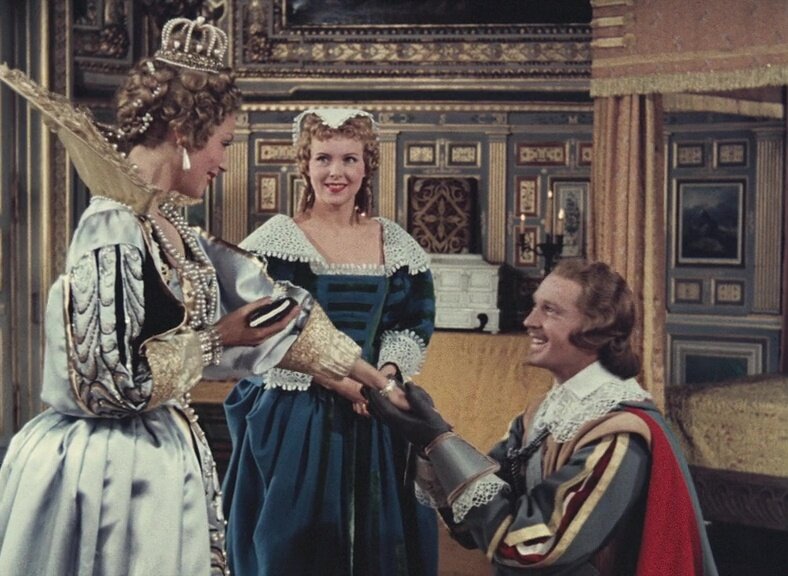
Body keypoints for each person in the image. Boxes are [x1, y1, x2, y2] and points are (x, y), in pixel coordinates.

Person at [0, 18, 404, 576]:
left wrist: (376, 381)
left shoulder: (170, 228)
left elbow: (276, 311)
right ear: (184, 134)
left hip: (155, 455)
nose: (225, 161)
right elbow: (109, 382)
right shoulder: (112, 228)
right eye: (223, 143)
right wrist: (219, 338)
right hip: (110, 472)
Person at [366, 259, 719, 576]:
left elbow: (531, 548)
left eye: (549, 310)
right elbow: (475, 524)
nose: (529, 321)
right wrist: (430, 442)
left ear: (596, 328)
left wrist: (438, 439)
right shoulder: (542, 414)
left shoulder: (618, 434)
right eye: (535, 306)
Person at [222, 108, 438, 576]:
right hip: (297, 410)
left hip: (377, 411)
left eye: (348, 159)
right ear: (305, 165)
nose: (335, 172)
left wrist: (386, 377)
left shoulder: (394, 241)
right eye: (323, 158)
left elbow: (410, 319)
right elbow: (263, 332)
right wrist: (343, 382)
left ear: (366, 167)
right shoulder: (277, 241)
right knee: (294, 540)